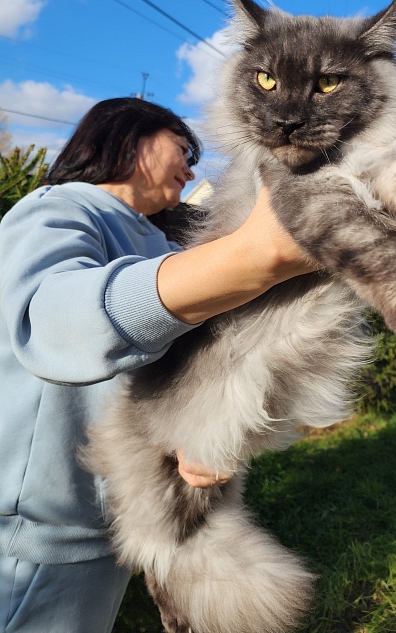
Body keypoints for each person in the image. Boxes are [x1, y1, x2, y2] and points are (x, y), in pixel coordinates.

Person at [0, 97, 314, 633]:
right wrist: (251, 258)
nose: (192, 168)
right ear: (126, 137)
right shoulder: (60, 208)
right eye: (183, 148)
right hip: (40, 537)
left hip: (121, 523)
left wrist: (206, 432)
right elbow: (47, 321)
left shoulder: (161, 239)